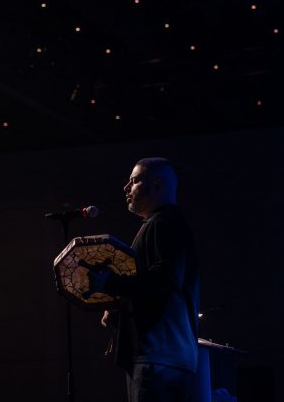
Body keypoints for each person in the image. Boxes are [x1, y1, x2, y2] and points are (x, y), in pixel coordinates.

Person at [87, 157, 200, 402]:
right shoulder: (166, 223)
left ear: (157, 185)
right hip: (169, 357)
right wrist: (118, 304)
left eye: (135, 181)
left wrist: (111, 284)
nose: (126, 188)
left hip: (157, 358)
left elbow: (164, 279)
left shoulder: (163, 223)